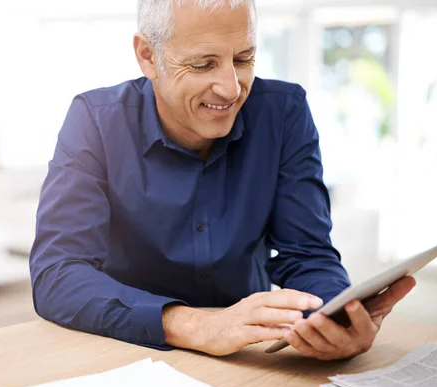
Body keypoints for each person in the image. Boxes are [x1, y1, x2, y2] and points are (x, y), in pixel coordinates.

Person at [29, 0, 415, 360]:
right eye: (202, 65)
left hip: (245, 356)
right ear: (148, 56)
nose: (231, 89)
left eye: (244, 58)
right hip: (127, 348)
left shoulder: (284, 113)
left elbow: (307, 254)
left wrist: (336, 315)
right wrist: (194, 325)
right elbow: (57, 275)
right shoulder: (95, 120)